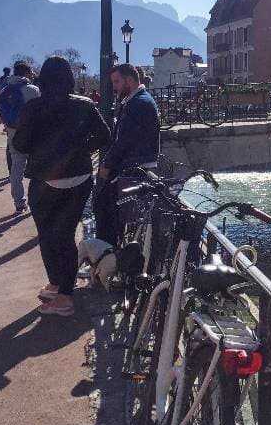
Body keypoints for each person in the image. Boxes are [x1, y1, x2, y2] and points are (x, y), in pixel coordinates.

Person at [12, 56, 111, 317]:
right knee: (66, 235)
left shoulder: (33, 108)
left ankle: (59, 289)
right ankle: (62, 291)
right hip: (79, 178)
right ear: (69, 78)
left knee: (46, 234)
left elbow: (20, 145)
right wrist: (80, 150)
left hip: (45, 181)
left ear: (42, 78)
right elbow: (105, 136)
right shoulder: (85, 105)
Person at [93, 64, 160, 248]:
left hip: (132, 169)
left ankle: (108, 256)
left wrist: (106, 167)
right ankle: (111, 254)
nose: (114, 87)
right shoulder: (138, 100)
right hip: (137, 166)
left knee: (105, 210)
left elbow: (123, 142)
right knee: (113, 216)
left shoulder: (137, 104)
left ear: (129, 81)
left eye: (116, 82)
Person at [0, 62, 40, 213]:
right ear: (27, 73)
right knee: (39, 168)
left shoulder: (4, 90)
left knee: (16, 169)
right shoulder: (32, 90)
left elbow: (1, 112)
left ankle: (19, 203)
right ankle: (38, 200)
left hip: (13, 133)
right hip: (33, 135)